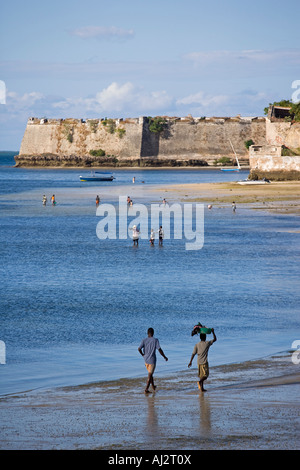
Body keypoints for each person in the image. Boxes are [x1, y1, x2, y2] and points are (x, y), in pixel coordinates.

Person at [138, 327, 168, 394]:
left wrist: (143, 355)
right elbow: (159, 349)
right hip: (152, 360)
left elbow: (139, 349)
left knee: (150, 374)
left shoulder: (144, 340)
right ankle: (146, 390)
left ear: (147, 333)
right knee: (150, 375)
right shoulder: (155, 340)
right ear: (153, 333)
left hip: (145, 360)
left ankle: (153, 386)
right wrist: (164, 357)